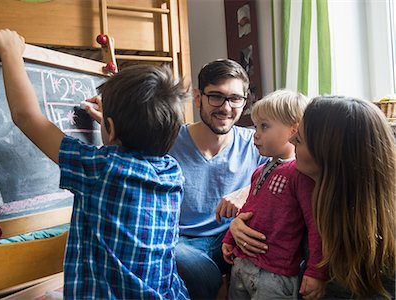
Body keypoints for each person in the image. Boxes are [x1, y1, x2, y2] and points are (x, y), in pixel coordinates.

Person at [0, 29, 191, 299]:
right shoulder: (171, 172)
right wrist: (112, 127)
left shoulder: (101, 169)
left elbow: (26, 117)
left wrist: (10, 53)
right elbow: (128, 149)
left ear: (110, 127)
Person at [231, 96, 396, 299]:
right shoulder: (309, 192)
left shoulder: (377, 249)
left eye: (299, 139)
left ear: (330, 153)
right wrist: (237, 225)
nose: (290, 141)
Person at [168, 59, 268, 299]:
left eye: (235, 99)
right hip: (183, 242)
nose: (226, 107)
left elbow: (287, 170)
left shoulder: (255, 142)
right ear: (197, 97)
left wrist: (246, 191)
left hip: (236, 236)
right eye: (216, 96)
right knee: (178, 258)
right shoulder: (169, 140)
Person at [221, 90, 327, 299]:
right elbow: (249, 209)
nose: (256, 134)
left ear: (293, 130)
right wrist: (230, 237)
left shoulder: (299, 173)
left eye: (264, 126)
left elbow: (316, 225)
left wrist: (316, 271)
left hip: (275, 274)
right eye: (255, 126)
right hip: (243, 263)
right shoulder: (260, 171)